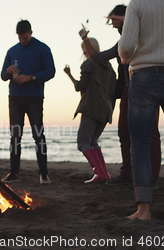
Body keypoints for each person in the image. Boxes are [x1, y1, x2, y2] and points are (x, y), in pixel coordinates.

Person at [118, 0, 164, 220]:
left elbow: (126, 46)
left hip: (144, 75)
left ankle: (144, 210)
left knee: (140, 144)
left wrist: (125, 59)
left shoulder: (138, 4)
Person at [80, 5, 162, 187]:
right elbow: (98, 57)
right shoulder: (122, 43)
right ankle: (127, 175)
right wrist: (85, 37)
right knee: (124, 132)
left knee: (150, 133)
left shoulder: (144, 36)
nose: (113, 24)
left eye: (116, 20)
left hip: (148, 87)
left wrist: (125, 18)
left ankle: (152, 178)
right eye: (112, 21)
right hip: (127, 89)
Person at [0, 20, 56, 184]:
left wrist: (31, 77)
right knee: (15, 135)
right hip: (15, 97)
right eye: (20, 38)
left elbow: (51, 71)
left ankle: (44, 173)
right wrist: (8, 72)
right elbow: (3, 76)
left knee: (38, 135)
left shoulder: (42, 48)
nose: (23, 40)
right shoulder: (12, 51)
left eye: (25, 37)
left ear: (30, 32)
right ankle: (14, 172)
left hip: (34, 97)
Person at [63, 38, 116, 183]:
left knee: (83, 142)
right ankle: (104, 173)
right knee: (93, 141)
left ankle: (100, 173)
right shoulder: (110, 69)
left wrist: (69, 74)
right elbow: (113, 91)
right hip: (106, 109)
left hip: (92, 107)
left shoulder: (89, 64)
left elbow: (80, 86)